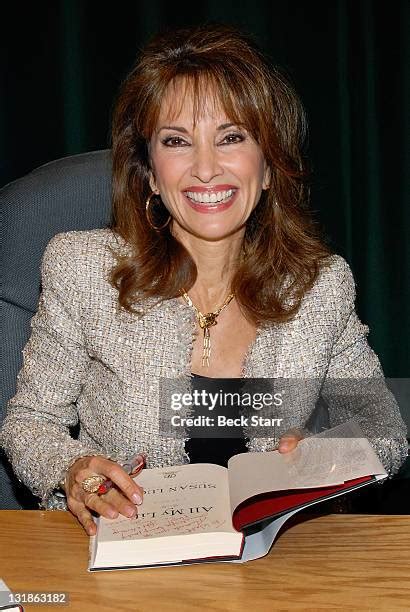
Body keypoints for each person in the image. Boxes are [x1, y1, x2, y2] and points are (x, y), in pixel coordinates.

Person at [1, 25, 407, 535]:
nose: (206, 169)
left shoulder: (318, 287)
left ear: (268, 166)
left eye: (231, 137)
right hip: (125, 563)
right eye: (177, 141)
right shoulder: (84, 269)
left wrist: (329, 456)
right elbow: (30, 422)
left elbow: (383, 426)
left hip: (269, 566)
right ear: (149, 170)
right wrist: (72, 469)